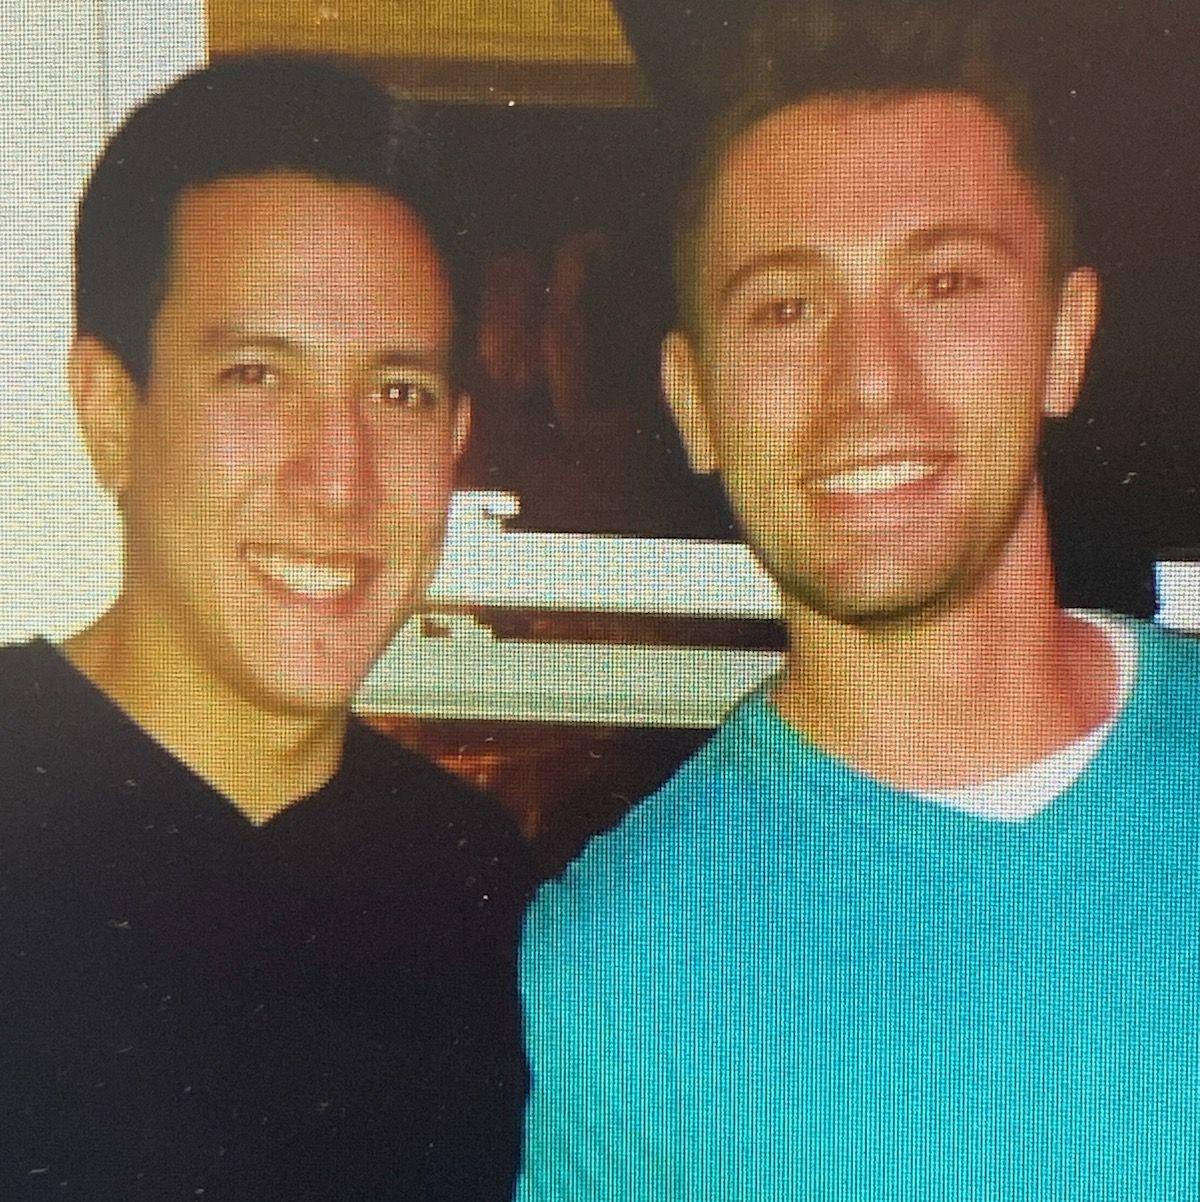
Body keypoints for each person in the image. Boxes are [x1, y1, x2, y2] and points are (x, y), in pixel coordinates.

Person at [517, 3, 1200, 1197]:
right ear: (694, 400)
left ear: (1063, 337)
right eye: (787, 306)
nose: (870, 380)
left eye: (943, 282)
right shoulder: (626, 959)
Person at [0, 57, 532, 1199]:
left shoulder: (477, 893)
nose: (338, 479)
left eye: (397, 392)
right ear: (111, 416)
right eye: (256, 375)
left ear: (454, 441)